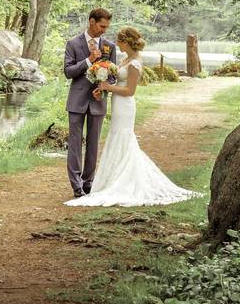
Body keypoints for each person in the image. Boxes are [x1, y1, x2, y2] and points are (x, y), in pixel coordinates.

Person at [65, 27, 199, 207]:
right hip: (117, 103)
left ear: (126, 41)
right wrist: (102, 89)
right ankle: (113, 179)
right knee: (116, 139)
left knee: (123, 139)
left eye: (120, 41)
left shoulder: (135, 62)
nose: (116, 44)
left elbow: (130, 91)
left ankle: (123, 180)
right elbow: (114, 79)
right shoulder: (126, 59)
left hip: (125, 105)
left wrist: (107, 88)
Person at [62, 8, 117, 198]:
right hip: (76, 101)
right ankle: (76, 186)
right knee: (75, 145)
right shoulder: (73, 43)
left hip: (97, 102)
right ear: (92, 21)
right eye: (102, 26)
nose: (104, 30)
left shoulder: (110, 46)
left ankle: (88, 183)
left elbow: (113, 76)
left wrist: (103, 89)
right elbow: (68, 72)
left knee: (93, 145)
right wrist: (88, 60)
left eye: (106, 27)